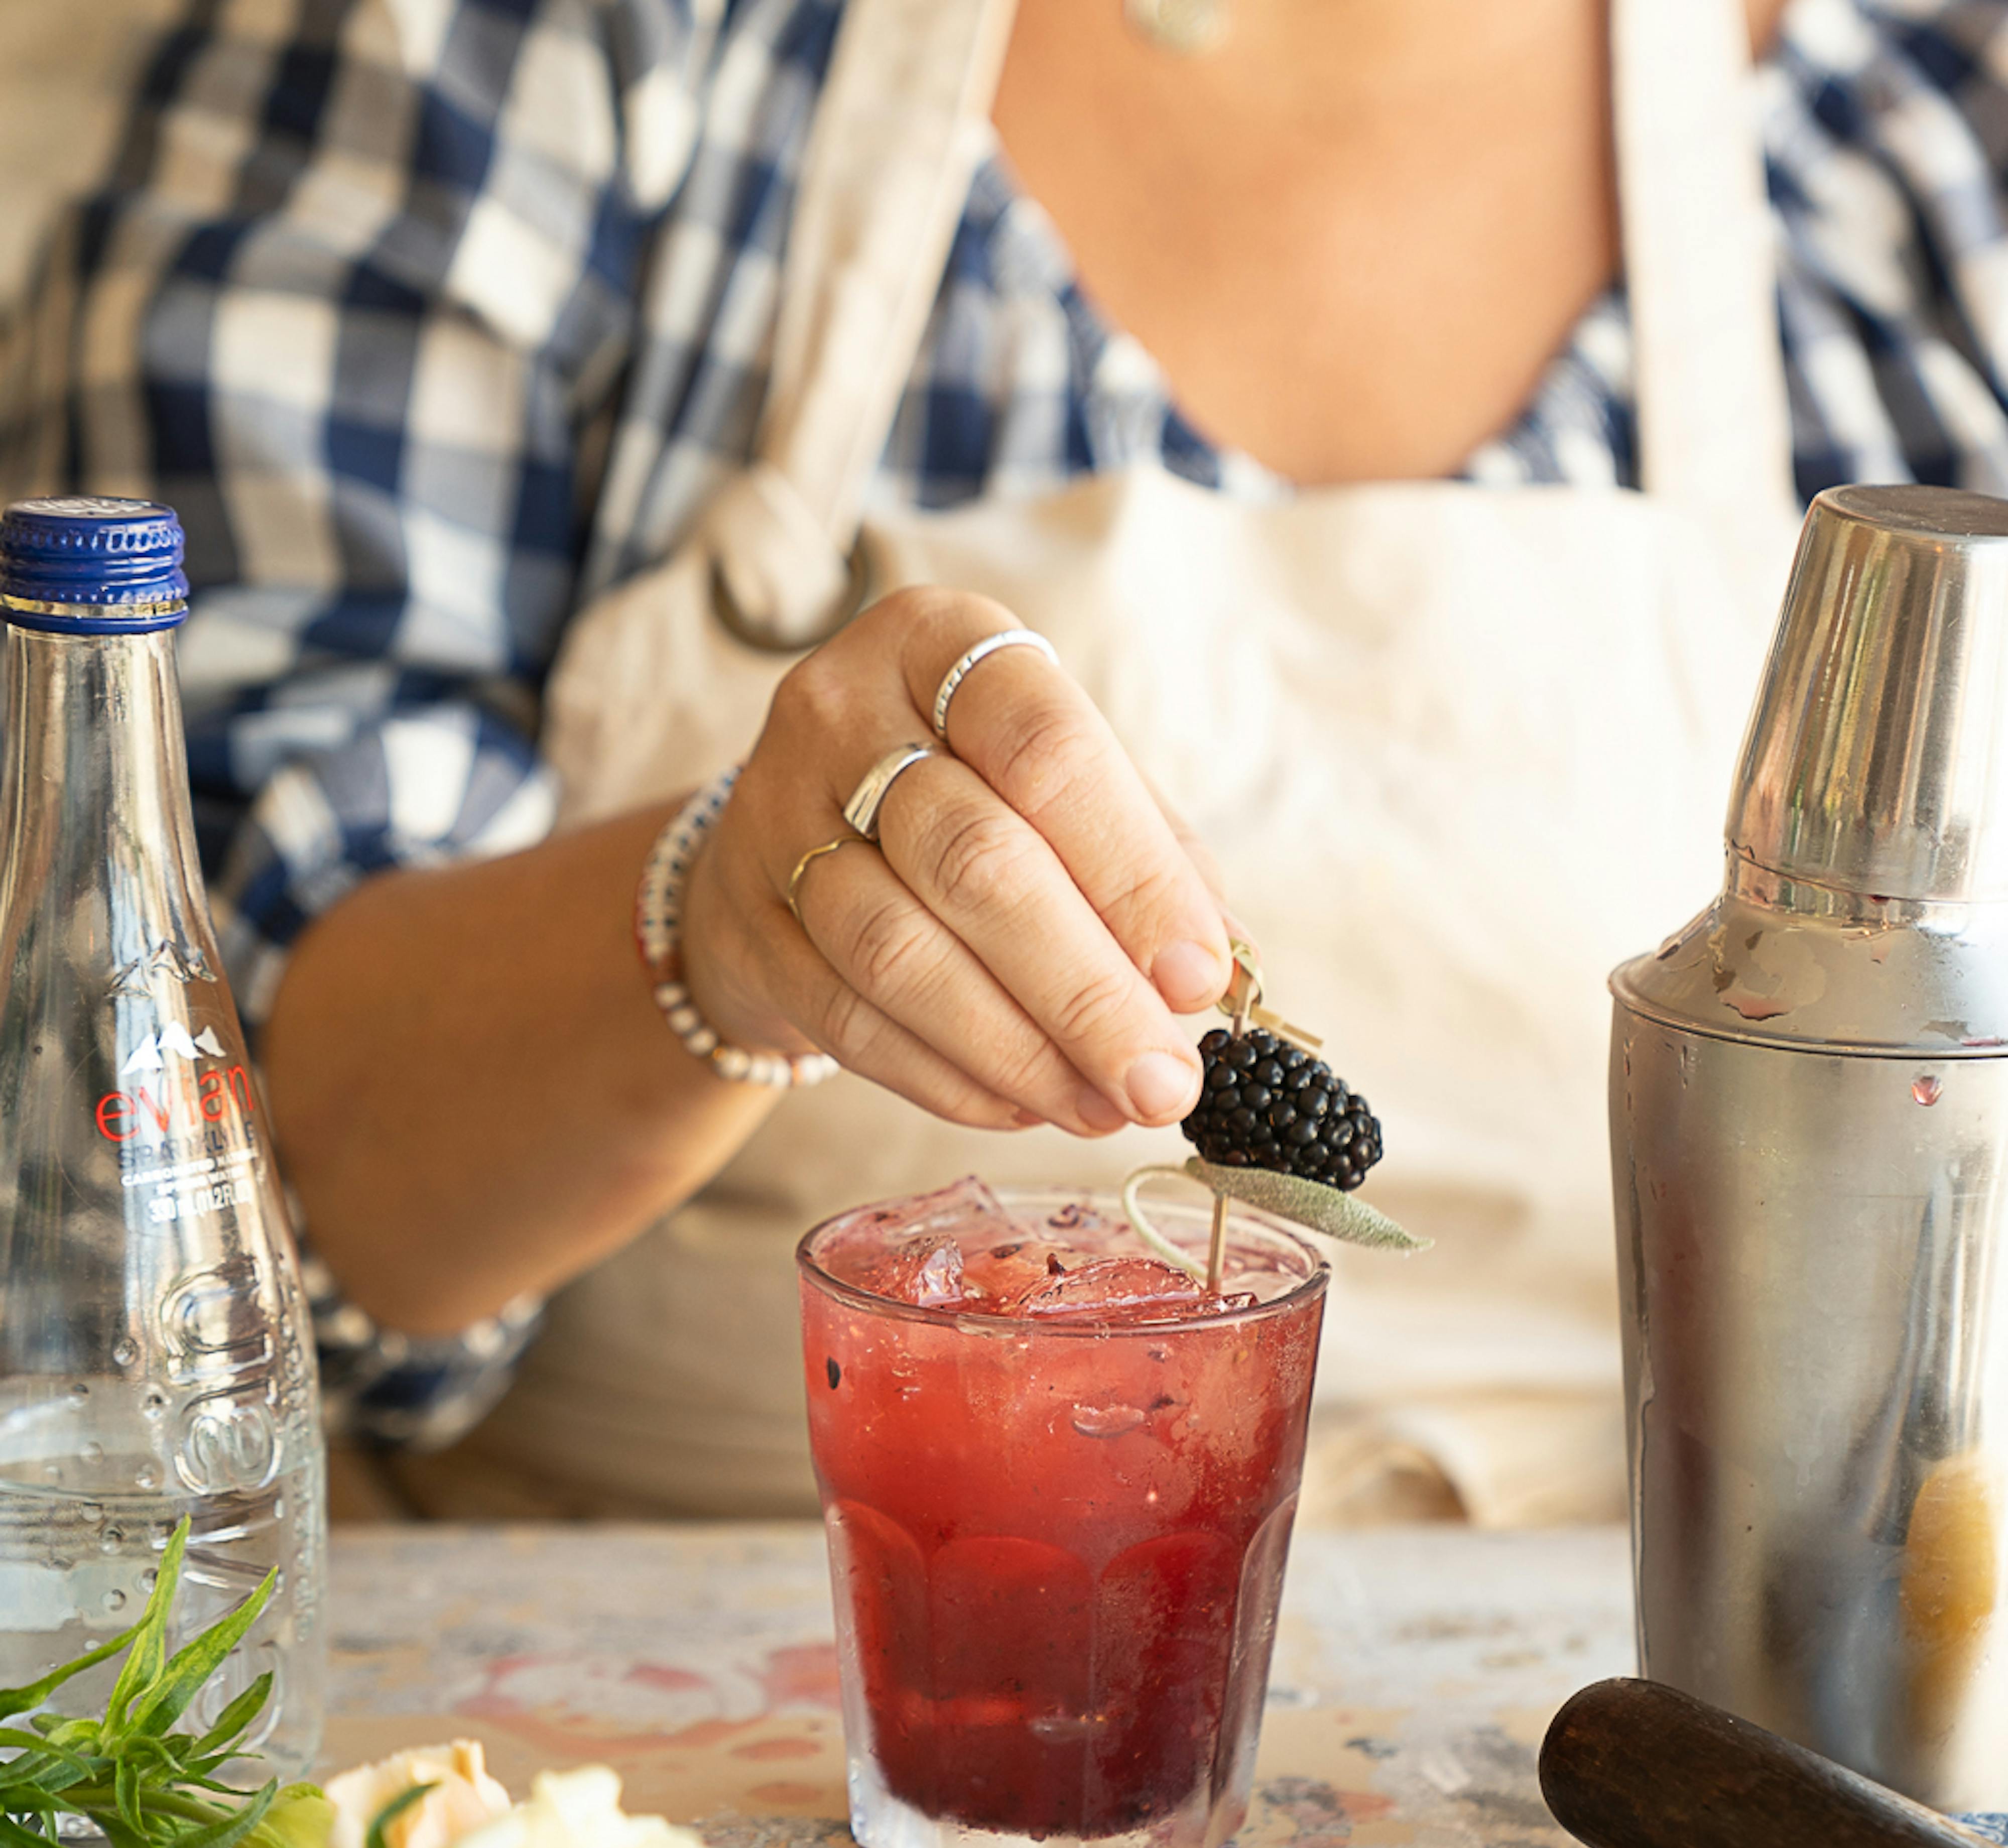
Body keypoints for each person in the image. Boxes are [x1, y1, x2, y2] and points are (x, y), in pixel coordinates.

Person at [5, 0, 2005, 1526]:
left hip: (1686, 1792)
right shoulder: (515, 50)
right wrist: (714, 923)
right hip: (709, 1799)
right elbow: (156, 1140)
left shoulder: (1927, 125)